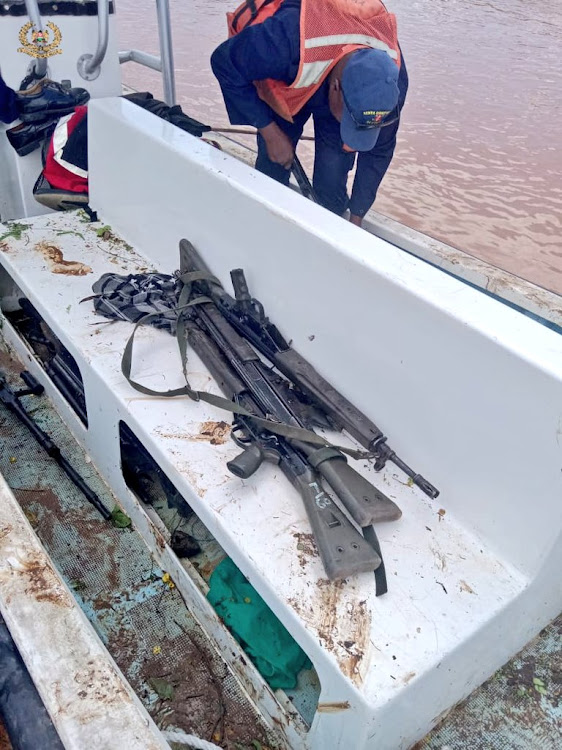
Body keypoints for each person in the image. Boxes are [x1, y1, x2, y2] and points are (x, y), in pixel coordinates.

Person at [211, 0, 408, 227]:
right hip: (291, 80)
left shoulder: (389, 86)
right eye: (351, 124)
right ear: (335, 87)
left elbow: (379, 153)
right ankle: (264, 225)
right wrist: (269, 131)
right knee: (273, 166)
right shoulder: (283, 40)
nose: (351, 141)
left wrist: (356, 218)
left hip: (340, 93)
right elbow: (224, 62)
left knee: (331, 181)